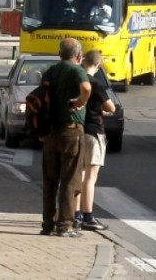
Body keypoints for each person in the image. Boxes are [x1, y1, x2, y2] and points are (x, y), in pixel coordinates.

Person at [40, 38, 91, 237]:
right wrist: (81, 102)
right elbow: (86, 88)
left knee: (50, 180)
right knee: (70, 179)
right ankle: (65, 225)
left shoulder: (51, 71)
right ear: (79, 56)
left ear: (59, 53)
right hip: (71, 130)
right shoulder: (76, 69)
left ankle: (47, 224)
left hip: (51, 131)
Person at [74, 50, 116, 231]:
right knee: (90, 176)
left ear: (83, 62)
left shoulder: (77, 82)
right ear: (98, 65)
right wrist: (103, 111)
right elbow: (111, 107)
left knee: (78, 174)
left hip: (77, 129)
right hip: (93, 131)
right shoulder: (96, 85)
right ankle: (88, 216)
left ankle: (75, 214)